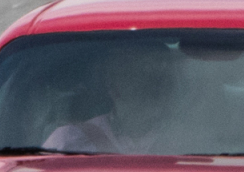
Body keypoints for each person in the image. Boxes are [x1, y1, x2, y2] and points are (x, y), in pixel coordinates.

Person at [43, 45, 176, 154]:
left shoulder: (188, 136)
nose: (152, 83)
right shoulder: (68, 141)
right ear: (111, 87)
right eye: (134, 74)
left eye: (157, 77)